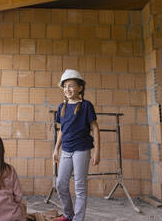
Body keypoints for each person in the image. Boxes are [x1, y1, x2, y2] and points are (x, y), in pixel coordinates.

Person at [52, 69, 100, 221]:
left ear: (80, 88)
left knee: (80, 187)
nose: (67, 89)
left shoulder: (86, 106)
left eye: (71, 86)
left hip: (81, 150)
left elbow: (95, 127)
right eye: (65, 86)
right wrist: (56, 148)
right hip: (66, 150)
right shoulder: (62, 107)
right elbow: (62, 130)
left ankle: (78, 219)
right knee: (60, 184)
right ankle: (68, 214)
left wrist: (97, 151)